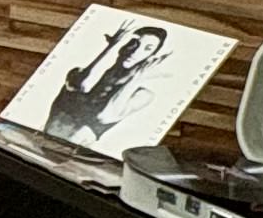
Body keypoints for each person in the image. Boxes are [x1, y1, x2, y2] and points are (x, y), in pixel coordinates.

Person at [45, 16, 172, 146]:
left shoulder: (142, 95)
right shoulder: (82, 74)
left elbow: (105, 116)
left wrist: (135, 80)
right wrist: (111, 47)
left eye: (147, 49)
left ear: (151, 57)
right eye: (134, 44)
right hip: (43, 139)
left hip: (67, 151)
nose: (135, 52)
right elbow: (82, 85)